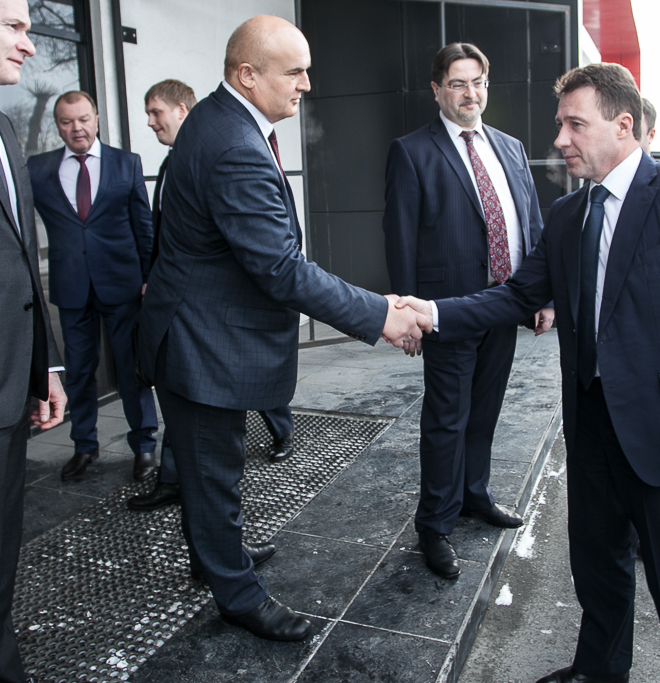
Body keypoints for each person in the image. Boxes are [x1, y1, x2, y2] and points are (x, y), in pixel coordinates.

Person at [399, 63, 660, 683]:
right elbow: (517, 296)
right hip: (592, 427)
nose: (560, 139)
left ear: (623, 125)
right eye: (560, 124)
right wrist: (431, 312)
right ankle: (599, 670)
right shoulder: (569, 215)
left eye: (575, 125)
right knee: (597, 566)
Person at [135, 15, 427, 642]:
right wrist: (381, 315)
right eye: (294, 72)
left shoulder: (220, 121)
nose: (306, 84)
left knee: (210, 470)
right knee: (214, 475)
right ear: (248, 75)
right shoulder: (234, 144)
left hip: (196, 330)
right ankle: (237, 594)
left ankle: (216, 557)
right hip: (199, 343)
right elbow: (279, 267)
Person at [382, 42, 550, 580]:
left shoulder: (511, 147)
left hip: (503, 305)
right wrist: (407, 312)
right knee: (446, 420)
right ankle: (434, 524)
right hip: (446, 310)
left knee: (484, 410)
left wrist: (542, 295)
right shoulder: (412, 151)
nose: (470, 93)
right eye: (457, 83)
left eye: (477, 82)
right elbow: (400, 239)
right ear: (437, 90)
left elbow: (532, 222)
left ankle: (475, 494)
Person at [127, 80, 294, 515]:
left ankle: (281, 431)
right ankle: (178, 488)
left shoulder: (225, 148)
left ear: (182, 111)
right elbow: (167, 234)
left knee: (229, 427)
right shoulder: (180, 158)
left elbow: (271, 258)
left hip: (227, 321)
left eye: (156, 112)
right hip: (186, 319)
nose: (150, 122)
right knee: (196, 429)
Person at [28, 91, 159, 482]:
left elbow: (144, 226)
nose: (77, 128)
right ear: (57, 126)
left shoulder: (126, 163)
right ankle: (84, 446)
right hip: (71, 289)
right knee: (79, 373)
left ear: (96, 119)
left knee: (131, 369)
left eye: (83, 119)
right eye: (67, 122)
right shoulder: (37, 169)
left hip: (123, 286)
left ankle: (144, 445)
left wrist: (149, 277)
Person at [0, 1, 67, 680]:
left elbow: (20, 259)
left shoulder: (4, 125)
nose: (29, 44)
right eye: (14, 26)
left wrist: (43, 365)